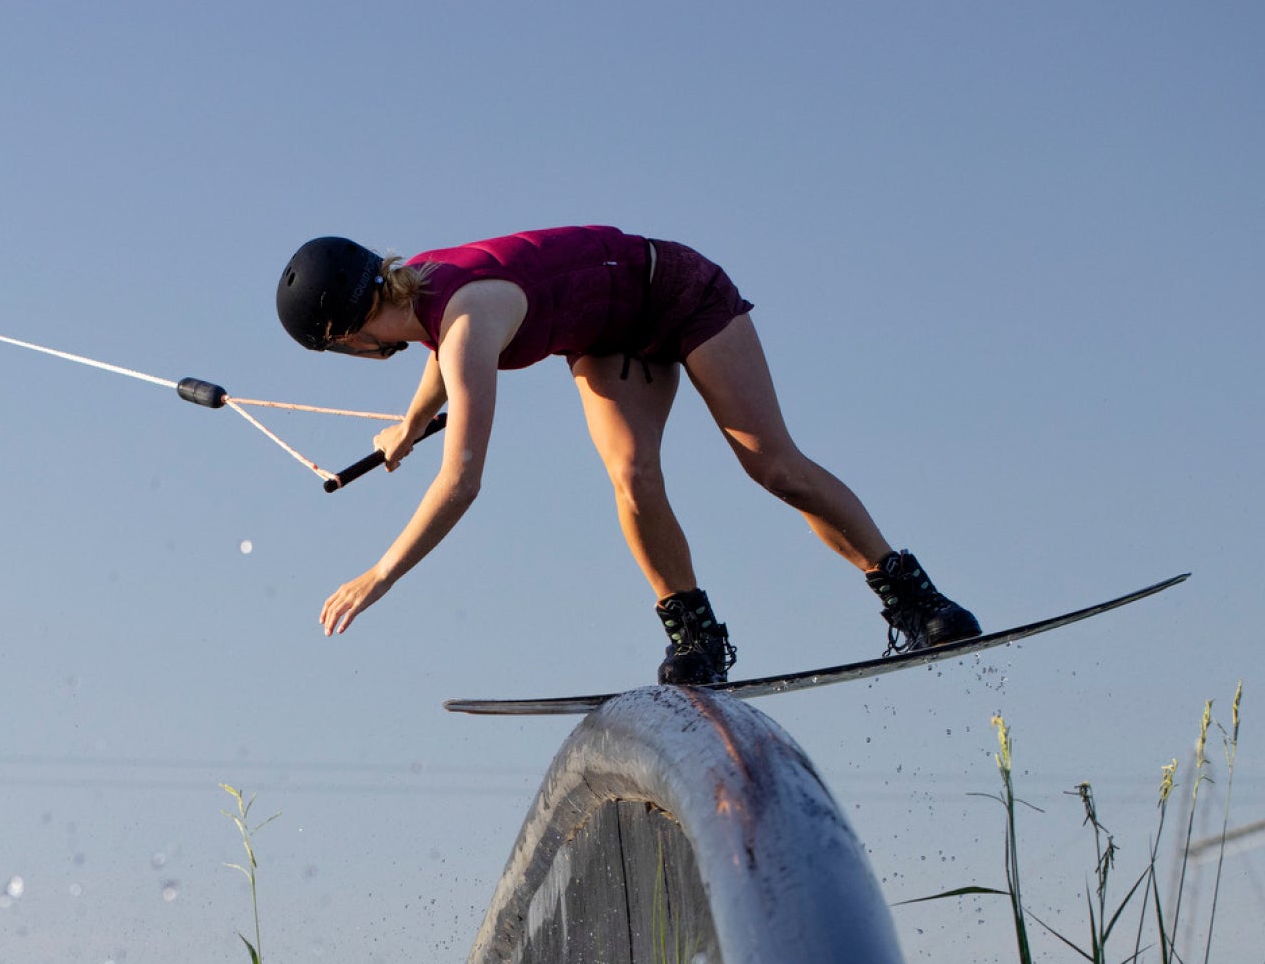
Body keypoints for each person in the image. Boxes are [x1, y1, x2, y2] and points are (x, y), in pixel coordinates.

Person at [275, 227, 980, 684]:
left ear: (342, 336)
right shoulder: (423, 293)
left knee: (775, 467)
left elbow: (461, 480)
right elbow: (442, 356)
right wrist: (409, 423)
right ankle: (696, 639)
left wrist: (382, 574)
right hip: (607, 336)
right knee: (633, 474)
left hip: (675, 291)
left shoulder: (461, 322)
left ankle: (914, 600)